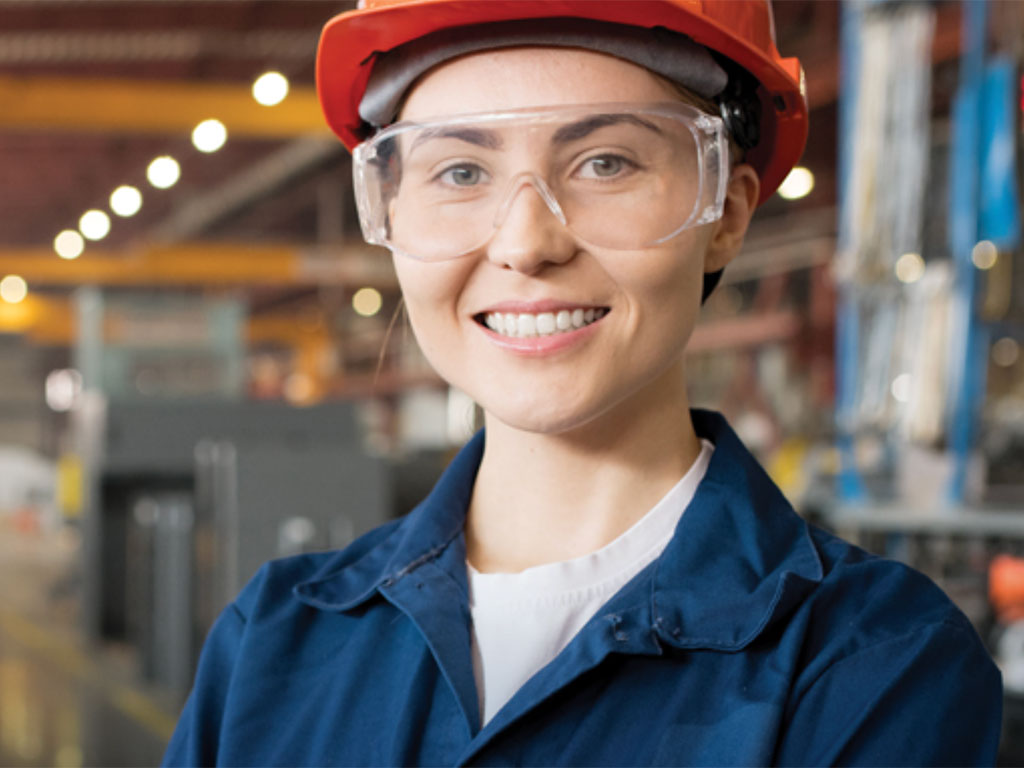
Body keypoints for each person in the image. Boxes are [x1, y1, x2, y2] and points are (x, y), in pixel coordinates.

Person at [163, 1, 1003, 765]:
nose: (526, 242)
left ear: (728, 216)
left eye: (605, 163)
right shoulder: (274, 643)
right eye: (460, 173)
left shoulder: (870, 666)